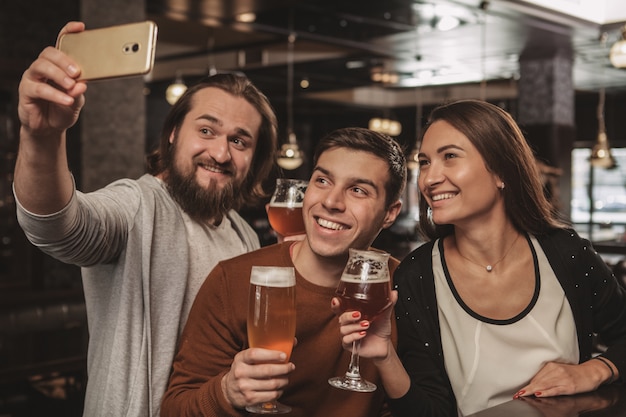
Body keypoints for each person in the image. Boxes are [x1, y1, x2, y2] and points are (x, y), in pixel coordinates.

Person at [13, 21, 278, 417]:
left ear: (254, 159)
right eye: (206, 130)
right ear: (172, 133)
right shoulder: (138, 204)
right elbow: (55, 227)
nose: (221, 153)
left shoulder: (243, 236)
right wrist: (41, 136)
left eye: (239, 141)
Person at [335, 99, 626, 417]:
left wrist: (595, 370)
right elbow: (430, 411)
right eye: (425, 162)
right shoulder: (417, 274)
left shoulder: (565, 252)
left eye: (449, 157)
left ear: (501, 170)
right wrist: (384, 356)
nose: (429, 179)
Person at [160, 127, 406, 417]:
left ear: (390, 213)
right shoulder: (235, 279)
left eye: (357, 190)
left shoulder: (403, 287)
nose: (330, 202)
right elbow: (174, 409)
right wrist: (226, 392)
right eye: (323, 180)